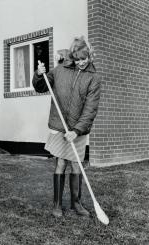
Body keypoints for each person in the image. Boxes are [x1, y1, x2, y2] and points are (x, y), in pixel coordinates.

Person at [32, 36, 101, 217]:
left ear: (90, 56)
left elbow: (90, 109)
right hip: (59, 126)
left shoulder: (93, 78)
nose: (80, 63)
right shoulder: (60, 70)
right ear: (72, 57)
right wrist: (39, 74)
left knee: (76, 165)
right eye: (77, 59)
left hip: (77, 129)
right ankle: (57, 205)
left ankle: (76, 204)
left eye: (84, 59)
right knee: (61, 163)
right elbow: (41, 86)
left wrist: (77, 130)